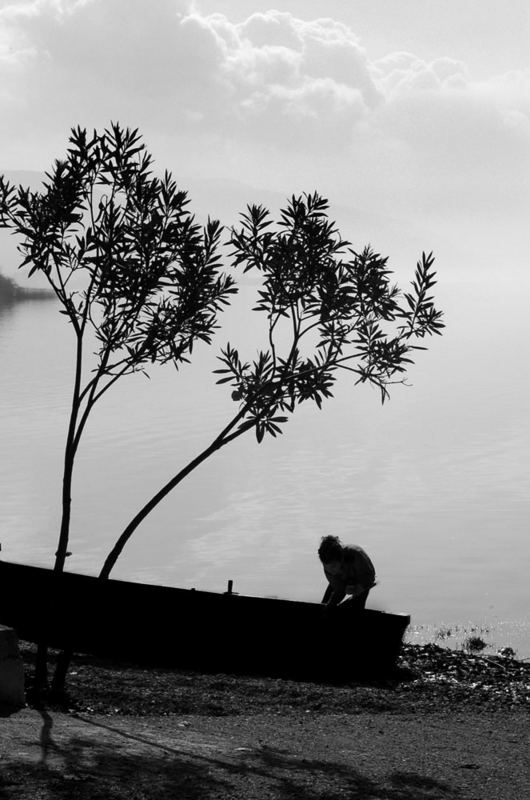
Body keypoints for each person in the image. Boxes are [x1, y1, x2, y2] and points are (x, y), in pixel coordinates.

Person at [318, 535, 376, 611]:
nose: (331, 571)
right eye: (326, 567)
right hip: (340, 579)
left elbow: (369, 577)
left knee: (357, 604)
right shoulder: (328, 569)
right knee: (326, 605)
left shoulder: (356, 555)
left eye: (333, 566)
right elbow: (339, 590)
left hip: (362, 577)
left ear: (341, 559)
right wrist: (331, 604)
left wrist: (356, 586)